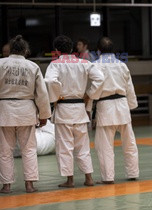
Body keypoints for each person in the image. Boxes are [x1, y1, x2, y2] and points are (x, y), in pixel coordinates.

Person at [45, 35, 104, 188]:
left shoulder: (55, 64)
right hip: (79, 109)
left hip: (64, 109)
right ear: (71, 48)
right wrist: (89, 94)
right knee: (83, 146)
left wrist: (55, 97)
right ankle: (89, 178)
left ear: (56, 51)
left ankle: (70, 180)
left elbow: (50, 81)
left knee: (65, 146)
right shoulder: (84, 63)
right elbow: (100, 78)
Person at [0, 35, 51, 193]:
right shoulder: (32, 66)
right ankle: (29, 184)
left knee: (4, 150)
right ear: (26, 51)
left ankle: (6, 185)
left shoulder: (0, 64)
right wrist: (44, 115)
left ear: (10, 50)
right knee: (29, 149)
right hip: (26, 110)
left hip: (5, 110)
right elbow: (41, 94)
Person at [92, 37, 139, 184]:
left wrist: (88, 108)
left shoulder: (95, 65)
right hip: (122, 106)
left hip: (105, 107)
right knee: (129, 143)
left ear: (98, 50)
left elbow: (93, 90)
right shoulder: (121, 65)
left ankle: (108, 177)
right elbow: (129, 87)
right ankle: (133, 173)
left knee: (104, 146)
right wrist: (132, 105)